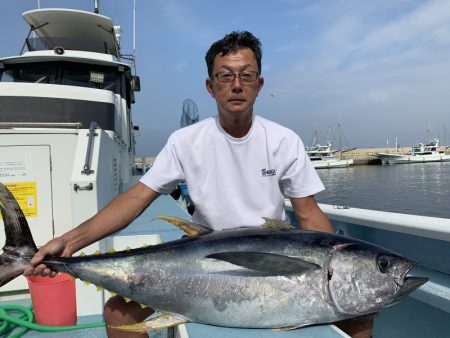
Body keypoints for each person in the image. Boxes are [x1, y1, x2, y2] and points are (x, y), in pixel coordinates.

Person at [24, 31, 372, 338]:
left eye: (246, 75)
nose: (236, 85)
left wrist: (341, 268)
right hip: (202, 259)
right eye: (225, 76)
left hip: (271, 264)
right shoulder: (185, 141)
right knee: (117, 313)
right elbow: (136, 198)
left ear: (259, 84)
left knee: (359, 316)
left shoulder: (284, 141)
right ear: (210, 86)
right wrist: (67, 243)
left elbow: (308, 215)